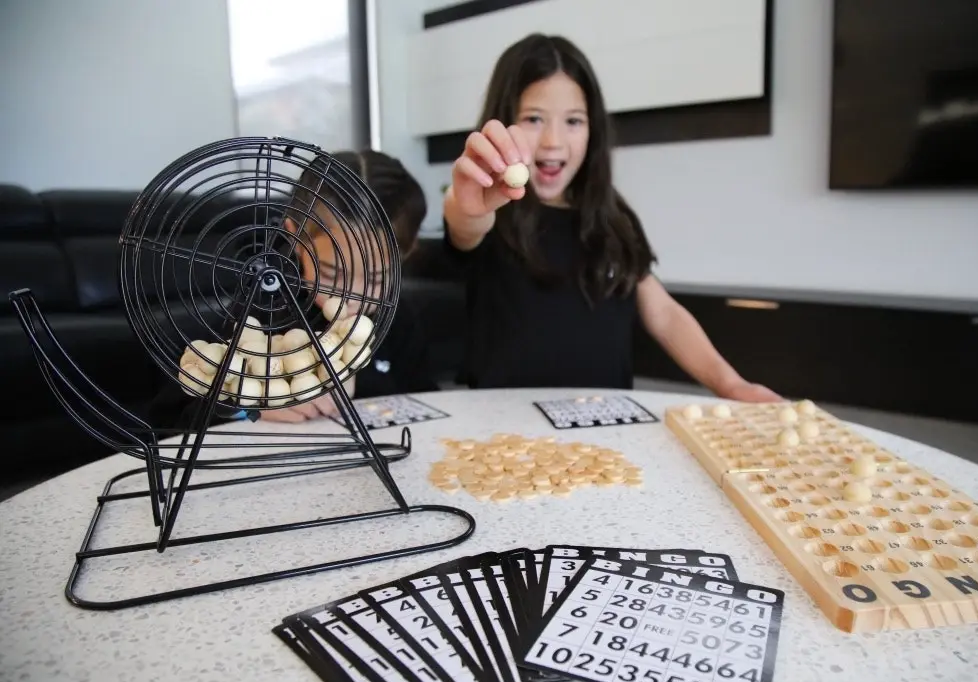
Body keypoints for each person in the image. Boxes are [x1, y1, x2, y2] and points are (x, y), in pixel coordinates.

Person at [442, 33, 780, 402]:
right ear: (505, 119)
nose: (554, 141)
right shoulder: (489, 207)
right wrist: (466, 205)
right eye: (534, 118)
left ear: (594, 130)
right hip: (506, 444)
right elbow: (465, 223)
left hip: (603, 438)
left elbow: (664, 313)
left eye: (574, 121)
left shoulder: (614, 218)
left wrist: (730, 384)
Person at [147, 149, 439, 429]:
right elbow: (172, 416)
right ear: (296, 238)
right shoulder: (262, 309)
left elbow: (429, 399)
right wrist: (253, 406)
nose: (352, 297)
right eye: (331, 274)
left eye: (377, 277)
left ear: (406, 253)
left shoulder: (399, 318)